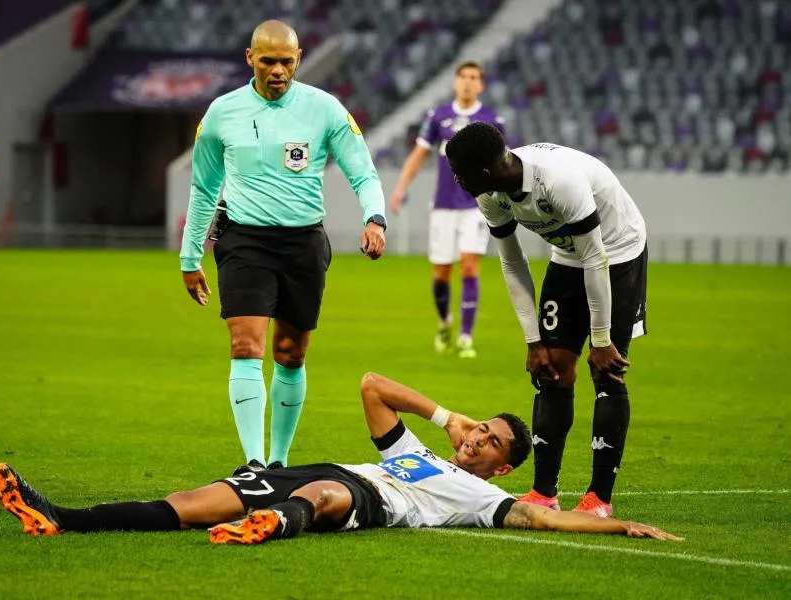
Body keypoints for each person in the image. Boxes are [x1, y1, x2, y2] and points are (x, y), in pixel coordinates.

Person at [0, 373, 681, 543]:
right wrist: (446, 416)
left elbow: (546, 520)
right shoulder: (417, 448)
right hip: (321, 470)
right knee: (186, 505)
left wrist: (618, 524)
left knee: (328, 500)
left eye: (491, 441)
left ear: (503, 468)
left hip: (370, 501)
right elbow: (372, 386)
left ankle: (270, 526)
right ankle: (62, 518)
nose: (476, 439)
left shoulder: (482, 497)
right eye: (480, 428)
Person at [179, 20, 387, 475]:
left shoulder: (324, 109)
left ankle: (279, 460)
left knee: (291, 352)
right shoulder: (222, 112)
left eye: (287, 62)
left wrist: (375, 217)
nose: (278, 70)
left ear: (299, 59)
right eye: (268, 61)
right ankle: (253, 463)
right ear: (250, 57)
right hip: (244, 240)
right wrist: (190, 257)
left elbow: (363, 171)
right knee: (245, 344)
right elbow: (203, 187)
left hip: (303, 244)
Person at [446, 124, 648, 518]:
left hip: (617, 252)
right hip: (569, 256)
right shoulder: (490, 193)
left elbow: (596, 257)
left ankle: (599, 500)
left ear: (484, 171)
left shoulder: (558, 180)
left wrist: (601, 340)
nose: (456, 180)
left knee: (607, 372)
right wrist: (533, 341)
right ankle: (544, 493)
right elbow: (512, 261)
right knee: (551, 370)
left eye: (459, 173)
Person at [389, 61, 504, 358]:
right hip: (442, 205)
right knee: (441, 272)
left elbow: (502, 163)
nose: (467, 82)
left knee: (469, 266)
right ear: (455, 82)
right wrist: (401, 188)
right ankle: (444, 322)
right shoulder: (438, 116)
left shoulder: (491, 120)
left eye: (474, 77)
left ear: (481, 85)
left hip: (476, 205)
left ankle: (466, 336)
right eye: (463, 77)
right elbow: (419, 154)